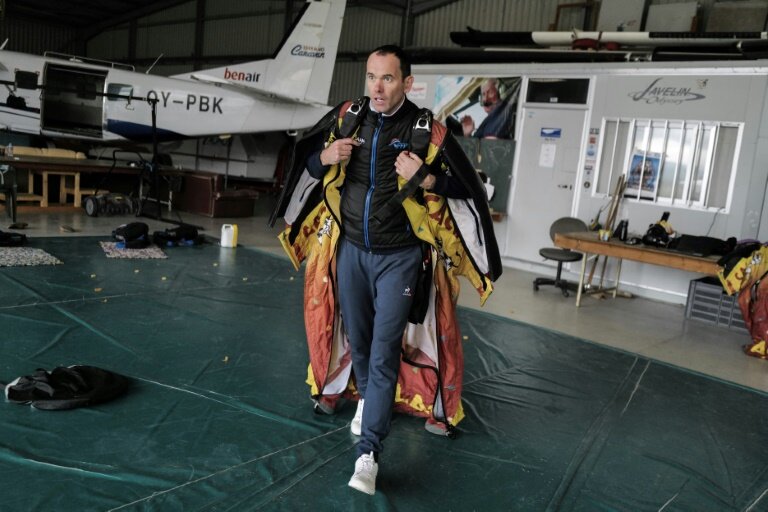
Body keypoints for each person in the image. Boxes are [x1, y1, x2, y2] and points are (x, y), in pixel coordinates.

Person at [270, 45, 501, 496]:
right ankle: (367, 406)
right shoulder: (347, 117)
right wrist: (326, 158)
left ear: (407, 83)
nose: (377, 87)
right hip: (352, 253)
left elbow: (469, 189)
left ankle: (368, 455)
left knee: (382, 351)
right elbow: (308, 163)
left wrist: (428, 178)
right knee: (358, 340)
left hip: (401, 259)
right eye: (372, 77)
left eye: (388, 79)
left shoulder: (427, 132)